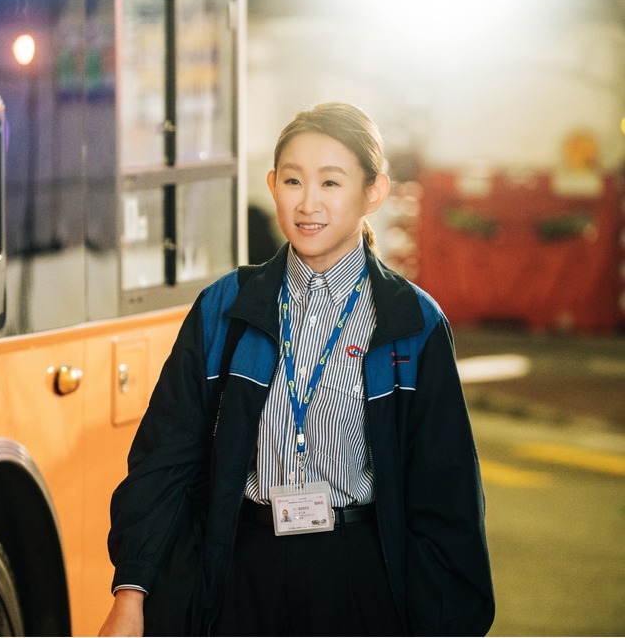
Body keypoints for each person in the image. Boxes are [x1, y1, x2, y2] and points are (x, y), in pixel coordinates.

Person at [99, 102, 495, 636]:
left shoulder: (411, 322)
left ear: (373, 193)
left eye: (331, 183)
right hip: (241, 572)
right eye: (292, 181)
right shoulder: (225, 309)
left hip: (360, 577)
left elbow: (446, 496)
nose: (308, 203)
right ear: (272, 185)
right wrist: (132, 592)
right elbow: (163, 459)